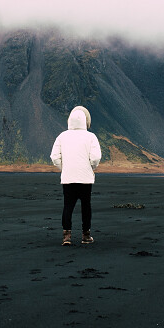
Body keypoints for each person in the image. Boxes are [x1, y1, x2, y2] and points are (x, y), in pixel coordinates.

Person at [50, 105, 102, 246]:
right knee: (86, 206)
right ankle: (86, 236)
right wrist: (90, 168)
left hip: (68, 178)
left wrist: (64, 168)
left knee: (68, 206)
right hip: (85, 179)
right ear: (85, 121)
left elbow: (54, 157)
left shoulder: (62, 136)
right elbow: (96, 158)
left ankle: (66, 237)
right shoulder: (91, 137)